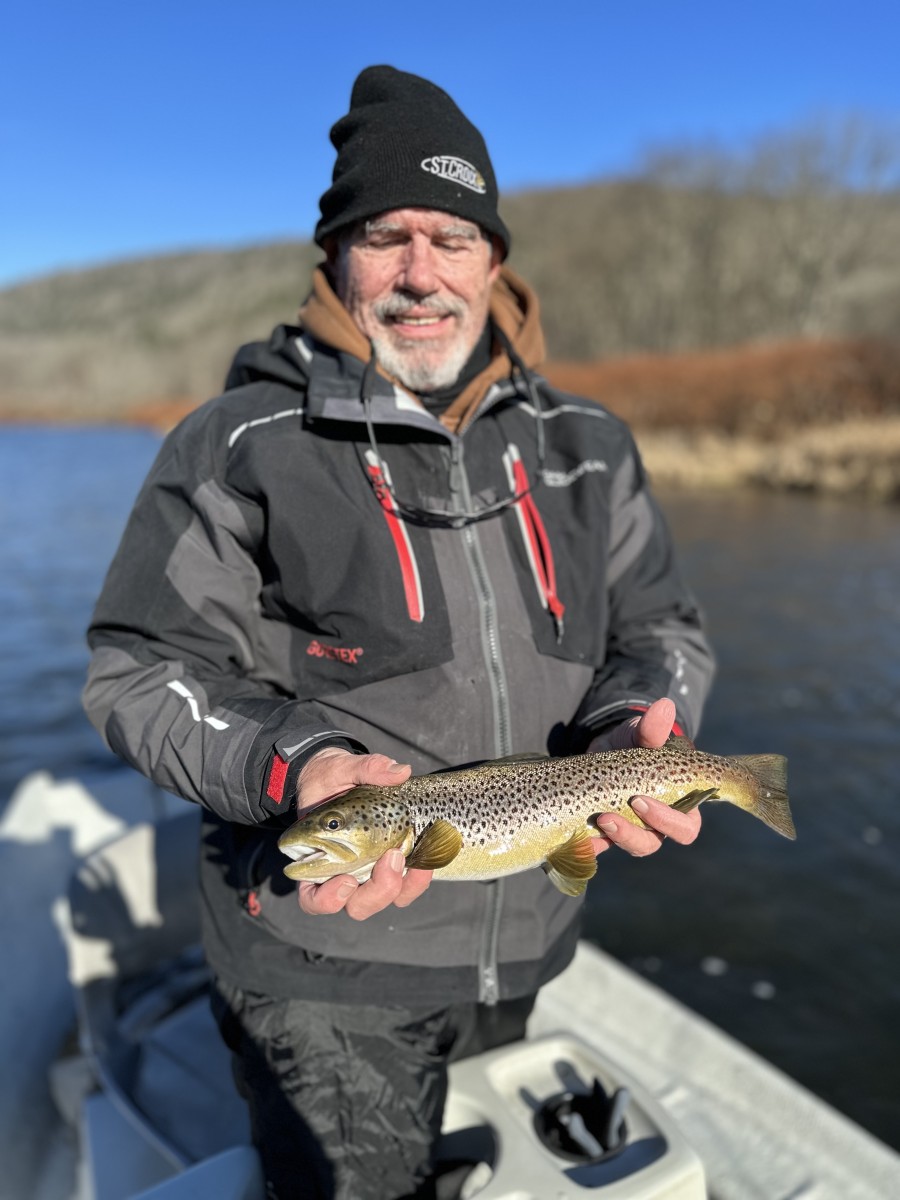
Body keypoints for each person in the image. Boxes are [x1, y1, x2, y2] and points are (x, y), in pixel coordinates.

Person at [83, 65, 714, 1200]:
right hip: (317, 957)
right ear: (334, 257)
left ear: (495, 259)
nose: (421, 273)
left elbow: (663, 625)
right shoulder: (239, 442)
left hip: (528, 930)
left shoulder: (591, 444)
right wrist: (297, 763)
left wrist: (634, 724)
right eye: (386, 236)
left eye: (453, 235)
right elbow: (138, 672)